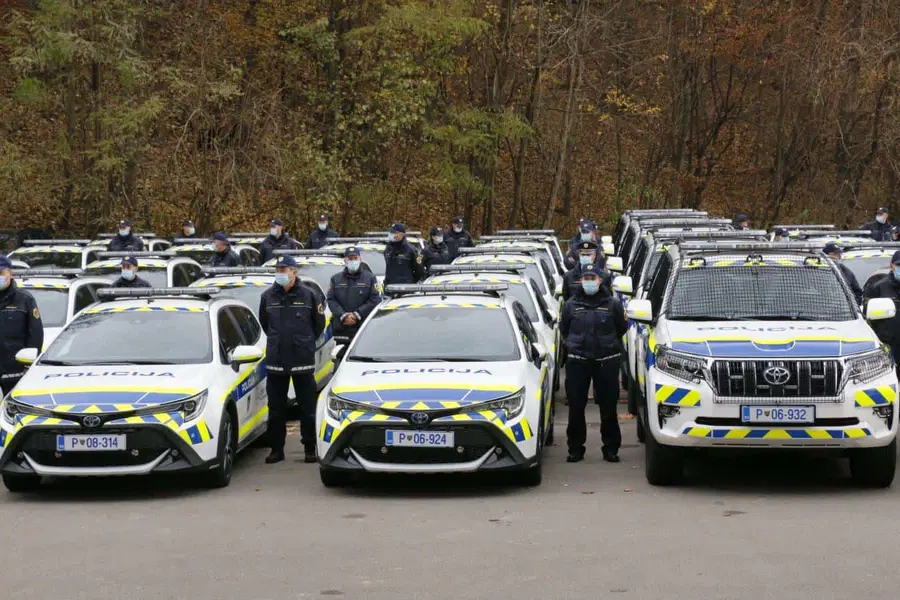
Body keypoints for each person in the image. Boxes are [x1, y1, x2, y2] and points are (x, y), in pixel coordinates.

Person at [259, 255, 325, 464]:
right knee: (276, 409)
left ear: (294, 272)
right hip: (276, 360)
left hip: (302, 358)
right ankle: (277, 449)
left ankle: (309, 448)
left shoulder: (309, 295)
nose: (280, 273)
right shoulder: (267, 296)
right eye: (278, 269)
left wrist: (303, 342)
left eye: (284, 269)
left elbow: (318, 324)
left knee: (307, 408)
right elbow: (265, 323)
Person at [559, 263, 627, 464]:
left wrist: (607, 346)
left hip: (606, 361)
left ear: (600, 280)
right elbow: (564, 328)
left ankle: (611, 448)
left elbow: (621, 328)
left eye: (593, 278)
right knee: (576, 406)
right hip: (578, 361)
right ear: (581, 280)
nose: (589, 282)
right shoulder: (571, 305)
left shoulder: (612, 304)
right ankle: (575, 449)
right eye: (586, 278)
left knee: (608, 407)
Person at [0, 255, 43, 396]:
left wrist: (28, 365)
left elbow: (35, 336)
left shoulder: (24, 300)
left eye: (0, 273)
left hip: (15, 373)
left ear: (10, 273)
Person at [326, 247, 381, 345]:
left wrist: (356, 315)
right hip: (342, 327)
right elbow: (331, 300)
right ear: (345, 260)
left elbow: (375, 300)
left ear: (360, 259)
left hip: (363, 327)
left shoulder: (370, 278)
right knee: (340, 357)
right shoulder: (335, 279)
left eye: (355, 258)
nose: (353, 261)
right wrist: (344, 315)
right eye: (350, 259)